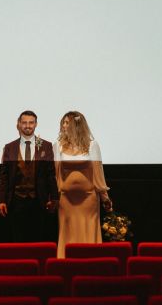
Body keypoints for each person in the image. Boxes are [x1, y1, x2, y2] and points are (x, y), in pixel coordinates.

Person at [54, 111, 112, 258]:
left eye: (67, 123)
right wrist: (53, 196)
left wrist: (105, 197)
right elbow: (55, 174)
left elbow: (98, 173)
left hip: (88, 199)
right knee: (68, 231)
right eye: (63, 123)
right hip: (66, 200)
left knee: (88, 230)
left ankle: (91, 264)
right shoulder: (57, 145)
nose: (64, 126)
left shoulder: (92, 145)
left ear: (77, 125)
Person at [0, 110, 59, 242]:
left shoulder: (46, 146)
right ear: (18, 125)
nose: (28, 125)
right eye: (24, 122)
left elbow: (50, 175)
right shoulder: (9, 147)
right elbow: (4, 177)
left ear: (36, 124)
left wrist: (54, 198)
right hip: (16, 201)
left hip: (39, 201)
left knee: (38, 239)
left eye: (31, 122)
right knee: (18, 239)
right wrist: (1, 200)